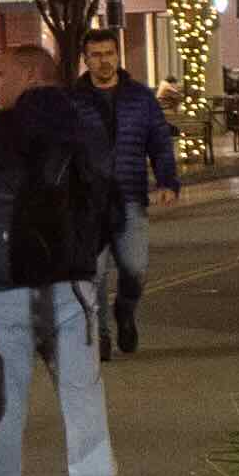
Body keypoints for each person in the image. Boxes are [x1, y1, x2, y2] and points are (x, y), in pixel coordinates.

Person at [0, 49, 121, 476]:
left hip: (9, 286)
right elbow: (110, 202)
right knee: (84, 401)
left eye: (1, 74)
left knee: (7, 404)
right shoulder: (88, 128)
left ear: (31, 74)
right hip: (73, 284)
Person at [72, 33, 182, 353]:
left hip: (130, 195)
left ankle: (125, 309)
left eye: (108, 53)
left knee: (135, 268)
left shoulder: (139, 97)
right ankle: (101, 334)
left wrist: (167, 181)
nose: (103, 60)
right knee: (94, 273)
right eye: (95, 54)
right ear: (86, 59)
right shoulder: (74, 100)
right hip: (89, 202)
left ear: (118, 56)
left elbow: (159, 142)